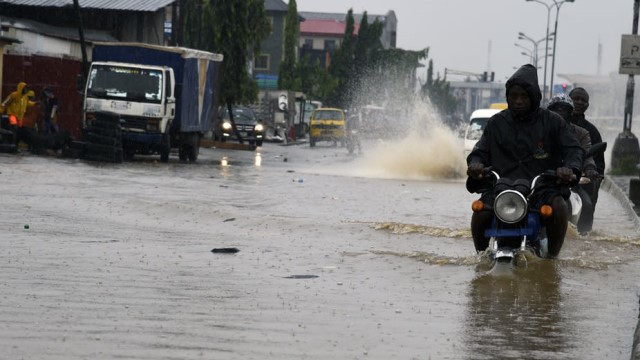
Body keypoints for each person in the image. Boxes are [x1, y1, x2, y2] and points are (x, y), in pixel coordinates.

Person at [466, 64, 583, 258]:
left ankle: (552, 260)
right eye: (514, 96)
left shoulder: (553, 122)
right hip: (502, 188)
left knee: (560, 208)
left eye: (523, 96)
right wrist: (475, 164)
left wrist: (570, 168)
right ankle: (481, 257)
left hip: (541, 188)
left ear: (534, 97)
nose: (518, 101)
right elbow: (480, 150)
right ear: (507, 97)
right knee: (479, 213)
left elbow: (573, 149)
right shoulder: (496, 123)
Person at [547, 93, 598, 234]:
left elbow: (586, 155)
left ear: (571, 113)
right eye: (556, 109)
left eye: (564, 109)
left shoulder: (581, 133)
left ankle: (583, 237)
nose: (560, 113)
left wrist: (590, 168)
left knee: (586, 205)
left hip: (570, 180)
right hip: (544, 180)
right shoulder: (541, 130)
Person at [569, 87, 605, 224]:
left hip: (582, 180)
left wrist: (594, 176)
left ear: (587, 106)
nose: (578, 102)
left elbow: (598, 162)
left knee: (587, 207)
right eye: (575, 99)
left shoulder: (591, 132)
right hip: (556, 176)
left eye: (583, 100)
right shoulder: (555, 125)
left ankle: (584, 235)